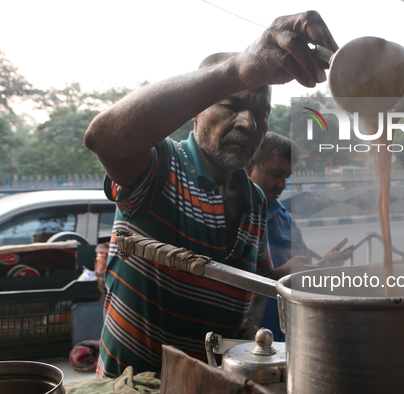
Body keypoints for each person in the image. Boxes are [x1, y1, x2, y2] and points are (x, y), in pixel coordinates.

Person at [83, 11, 338, 377]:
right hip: (136, 385)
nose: (249, 124)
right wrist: (237, 70)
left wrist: (254, 330)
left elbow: (254, 288)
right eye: (232, 105)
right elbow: (102, 138)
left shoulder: (253, 201)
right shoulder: (162, 166)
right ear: (194, 114)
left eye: (261, 112)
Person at [246, 132, 351, 341]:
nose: (283, 185)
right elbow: (222, 278)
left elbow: (304, 279)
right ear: (250, 166)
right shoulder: (229, 214)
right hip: (246, 341)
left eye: (287, 176)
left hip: (287, 340)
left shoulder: (286, 221)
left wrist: (322, 265)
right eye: (276, 174)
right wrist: (280, 274)